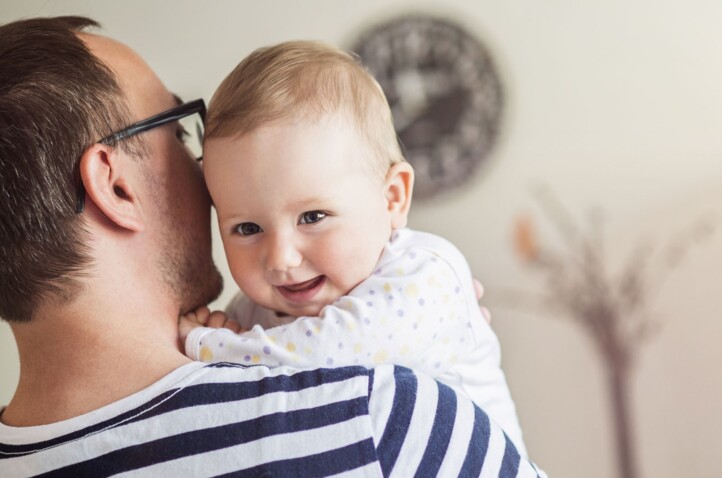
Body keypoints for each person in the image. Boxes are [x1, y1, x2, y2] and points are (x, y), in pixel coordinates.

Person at [0, 16, 544, 477]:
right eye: (180, 133)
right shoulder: (380, 423)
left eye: (312, 216)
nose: (282, 256)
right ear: (116, 186)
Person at [177, 40, 527, 455]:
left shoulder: (427, 274)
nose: (281, 259)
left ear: (393, 198)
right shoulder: (251, 314)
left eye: (312, 217)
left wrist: (207, 347)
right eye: (248, 227)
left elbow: (327, 356)